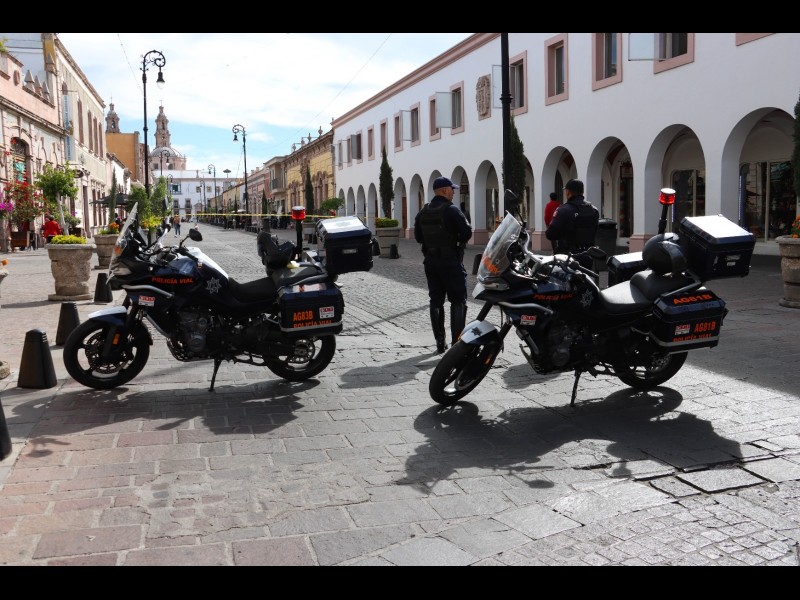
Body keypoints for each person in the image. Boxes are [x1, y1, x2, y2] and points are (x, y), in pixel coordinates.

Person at [415, 176, 473, 353]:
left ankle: (440, 342)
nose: (453, 192)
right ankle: (457, 344)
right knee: (458, 300)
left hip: (431, 262)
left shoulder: (423, 212)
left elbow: (418, 237)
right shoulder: (452, 210)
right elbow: (466, 233)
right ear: (445, 190)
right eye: (452, 189)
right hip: (450, 261)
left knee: (436, 301)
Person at [545, 179, 599, 267]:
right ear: (582, 192)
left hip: (568, 258)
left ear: (568, 192)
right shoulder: (594, 210)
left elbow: (550, 234)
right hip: (588, 256)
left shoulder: (563, 210)